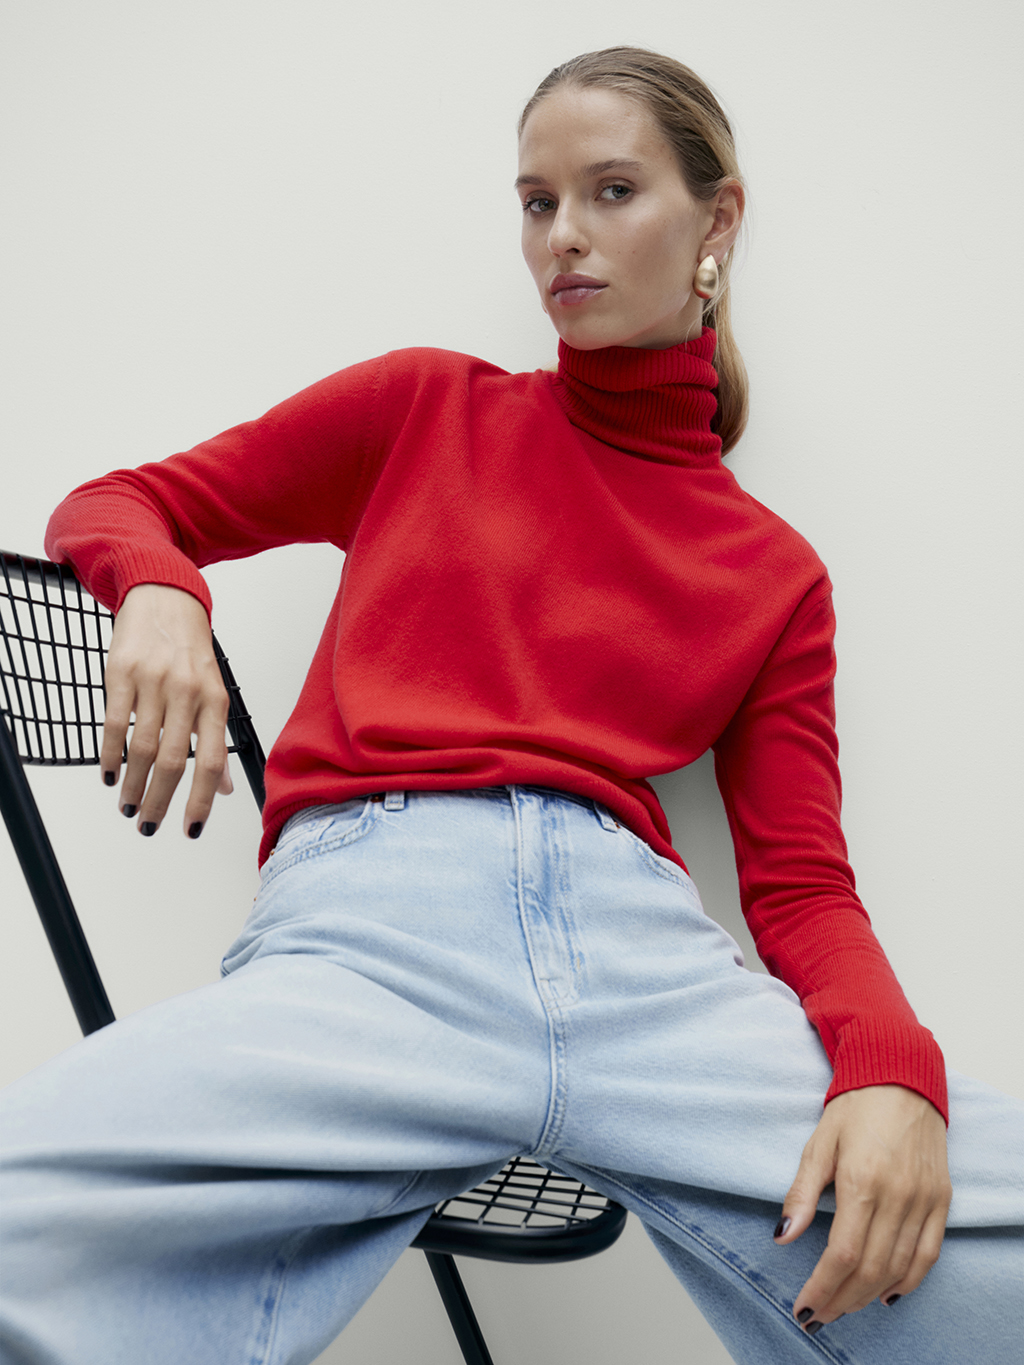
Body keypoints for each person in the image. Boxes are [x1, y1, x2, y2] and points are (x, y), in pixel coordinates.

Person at [1, 46, 1021, 1365]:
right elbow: (127, 501)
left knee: (965, 1225)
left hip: (645, 976)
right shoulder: (423, 406)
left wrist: (889, 1066)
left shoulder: (773, 572)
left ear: (718, 220)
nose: (565, 238)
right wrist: (160, 593)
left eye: (610, 191)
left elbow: (803, 882)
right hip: (380, 936)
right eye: (538, 203)